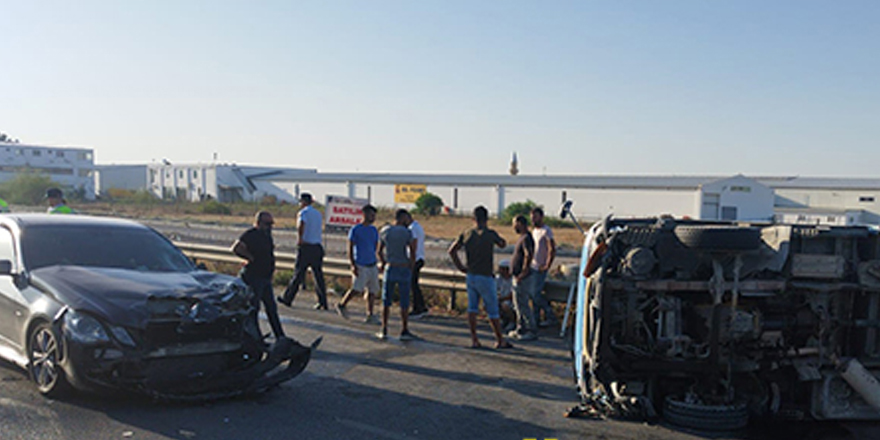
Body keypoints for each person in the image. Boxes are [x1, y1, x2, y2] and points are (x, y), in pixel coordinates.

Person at [448, 206, 513, 349]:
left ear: (473, 218)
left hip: (471, 275)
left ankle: (475, 339)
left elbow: (452, 250)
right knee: (492, 310)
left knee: (472, 308)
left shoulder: (467, 234)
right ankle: (499, 339)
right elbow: (502, 244)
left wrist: (461, 267)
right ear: (486, 218)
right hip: (485, 276)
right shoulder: (489, 234)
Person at [231, 211, 286, 340]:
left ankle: (280, 336)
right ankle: (254, 337)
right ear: (258, 223)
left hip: (265, 277)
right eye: (267, 224)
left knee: (271, 309)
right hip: (254, 276)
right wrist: (249, 257)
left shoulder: (267, 236)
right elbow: (236, 248)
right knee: (253, 308)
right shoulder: (251, 234)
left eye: (271, 224)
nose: (269, 227)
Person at [278, 193, 329, 310]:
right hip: (317, 246)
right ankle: (323, 301)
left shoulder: (303, 213)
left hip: (306, 247)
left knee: (298, 274)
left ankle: (288, 298)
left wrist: (300, 238)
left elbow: (302, 224)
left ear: (303, 202)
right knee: (318, 275)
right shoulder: (318, 214)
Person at [376, 209, 418, 341]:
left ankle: (384, 328)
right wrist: (411, 265)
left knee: (386, 300)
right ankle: (404, 329)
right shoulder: (407, 232)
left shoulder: (385, 231)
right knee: (404, 301)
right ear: (403, 218)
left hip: (390, 267)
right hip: (403, 268)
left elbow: (379, 251)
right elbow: (413, 251)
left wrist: (383, 262)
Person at [336, 204, 380, 323]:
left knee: (372, 290)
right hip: (360, 263)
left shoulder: (373, 230)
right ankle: (342, 304)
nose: (373, 218)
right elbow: (350, 247)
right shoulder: (356, 229)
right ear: (364, 214)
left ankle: (370, 314)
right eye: (371, 215)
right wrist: (352, 264)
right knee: (357, 288)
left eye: (374, 215)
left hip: (372, 263)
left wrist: (378, 260)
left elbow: (375, 246)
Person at [508, 215, 537, 341]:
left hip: (522, 277)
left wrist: (523, 272)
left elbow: (528, 255)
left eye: (514, 224)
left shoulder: (526, 238)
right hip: (517, 276)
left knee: (523, 304)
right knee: (518, 305)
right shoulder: (522, 237)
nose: (513, 227)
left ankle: (531, 330)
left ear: (520, 223)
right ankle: (521, 328)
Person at [530, 207, 559, 327]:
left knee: (535, 294)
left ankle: (550, 315)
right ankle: (535, 319)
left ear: (541, 217)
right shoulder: (534, 231)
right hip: (533, 266)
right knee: (533, 295)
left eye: (535, 217)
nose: (533, 220)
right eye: (532, 218)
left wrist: (547, 265)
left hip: (540, 268)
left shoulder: (546, 231)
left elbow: (551, 249)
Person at [406, 212, 429, 319]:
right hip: (419, 257)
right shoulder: (417, 226)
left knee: (413, 285)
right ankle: (422, 307)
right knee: (414, 284)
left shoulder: (412, 228)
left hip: (415, 259)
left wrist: (412, 260)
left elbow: (413, 244)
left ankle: (418, 308)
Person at [495, 260, 516, 332]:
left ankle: (512, 321)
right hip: (501, 299)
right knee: (489, 304)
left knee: (505, 305)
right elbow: (495, 289)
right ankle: (503, 320)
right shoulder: (498, 278)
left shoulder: (513, 279)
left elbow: (512, 295)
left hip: (511, 300)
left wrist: (501, 299)